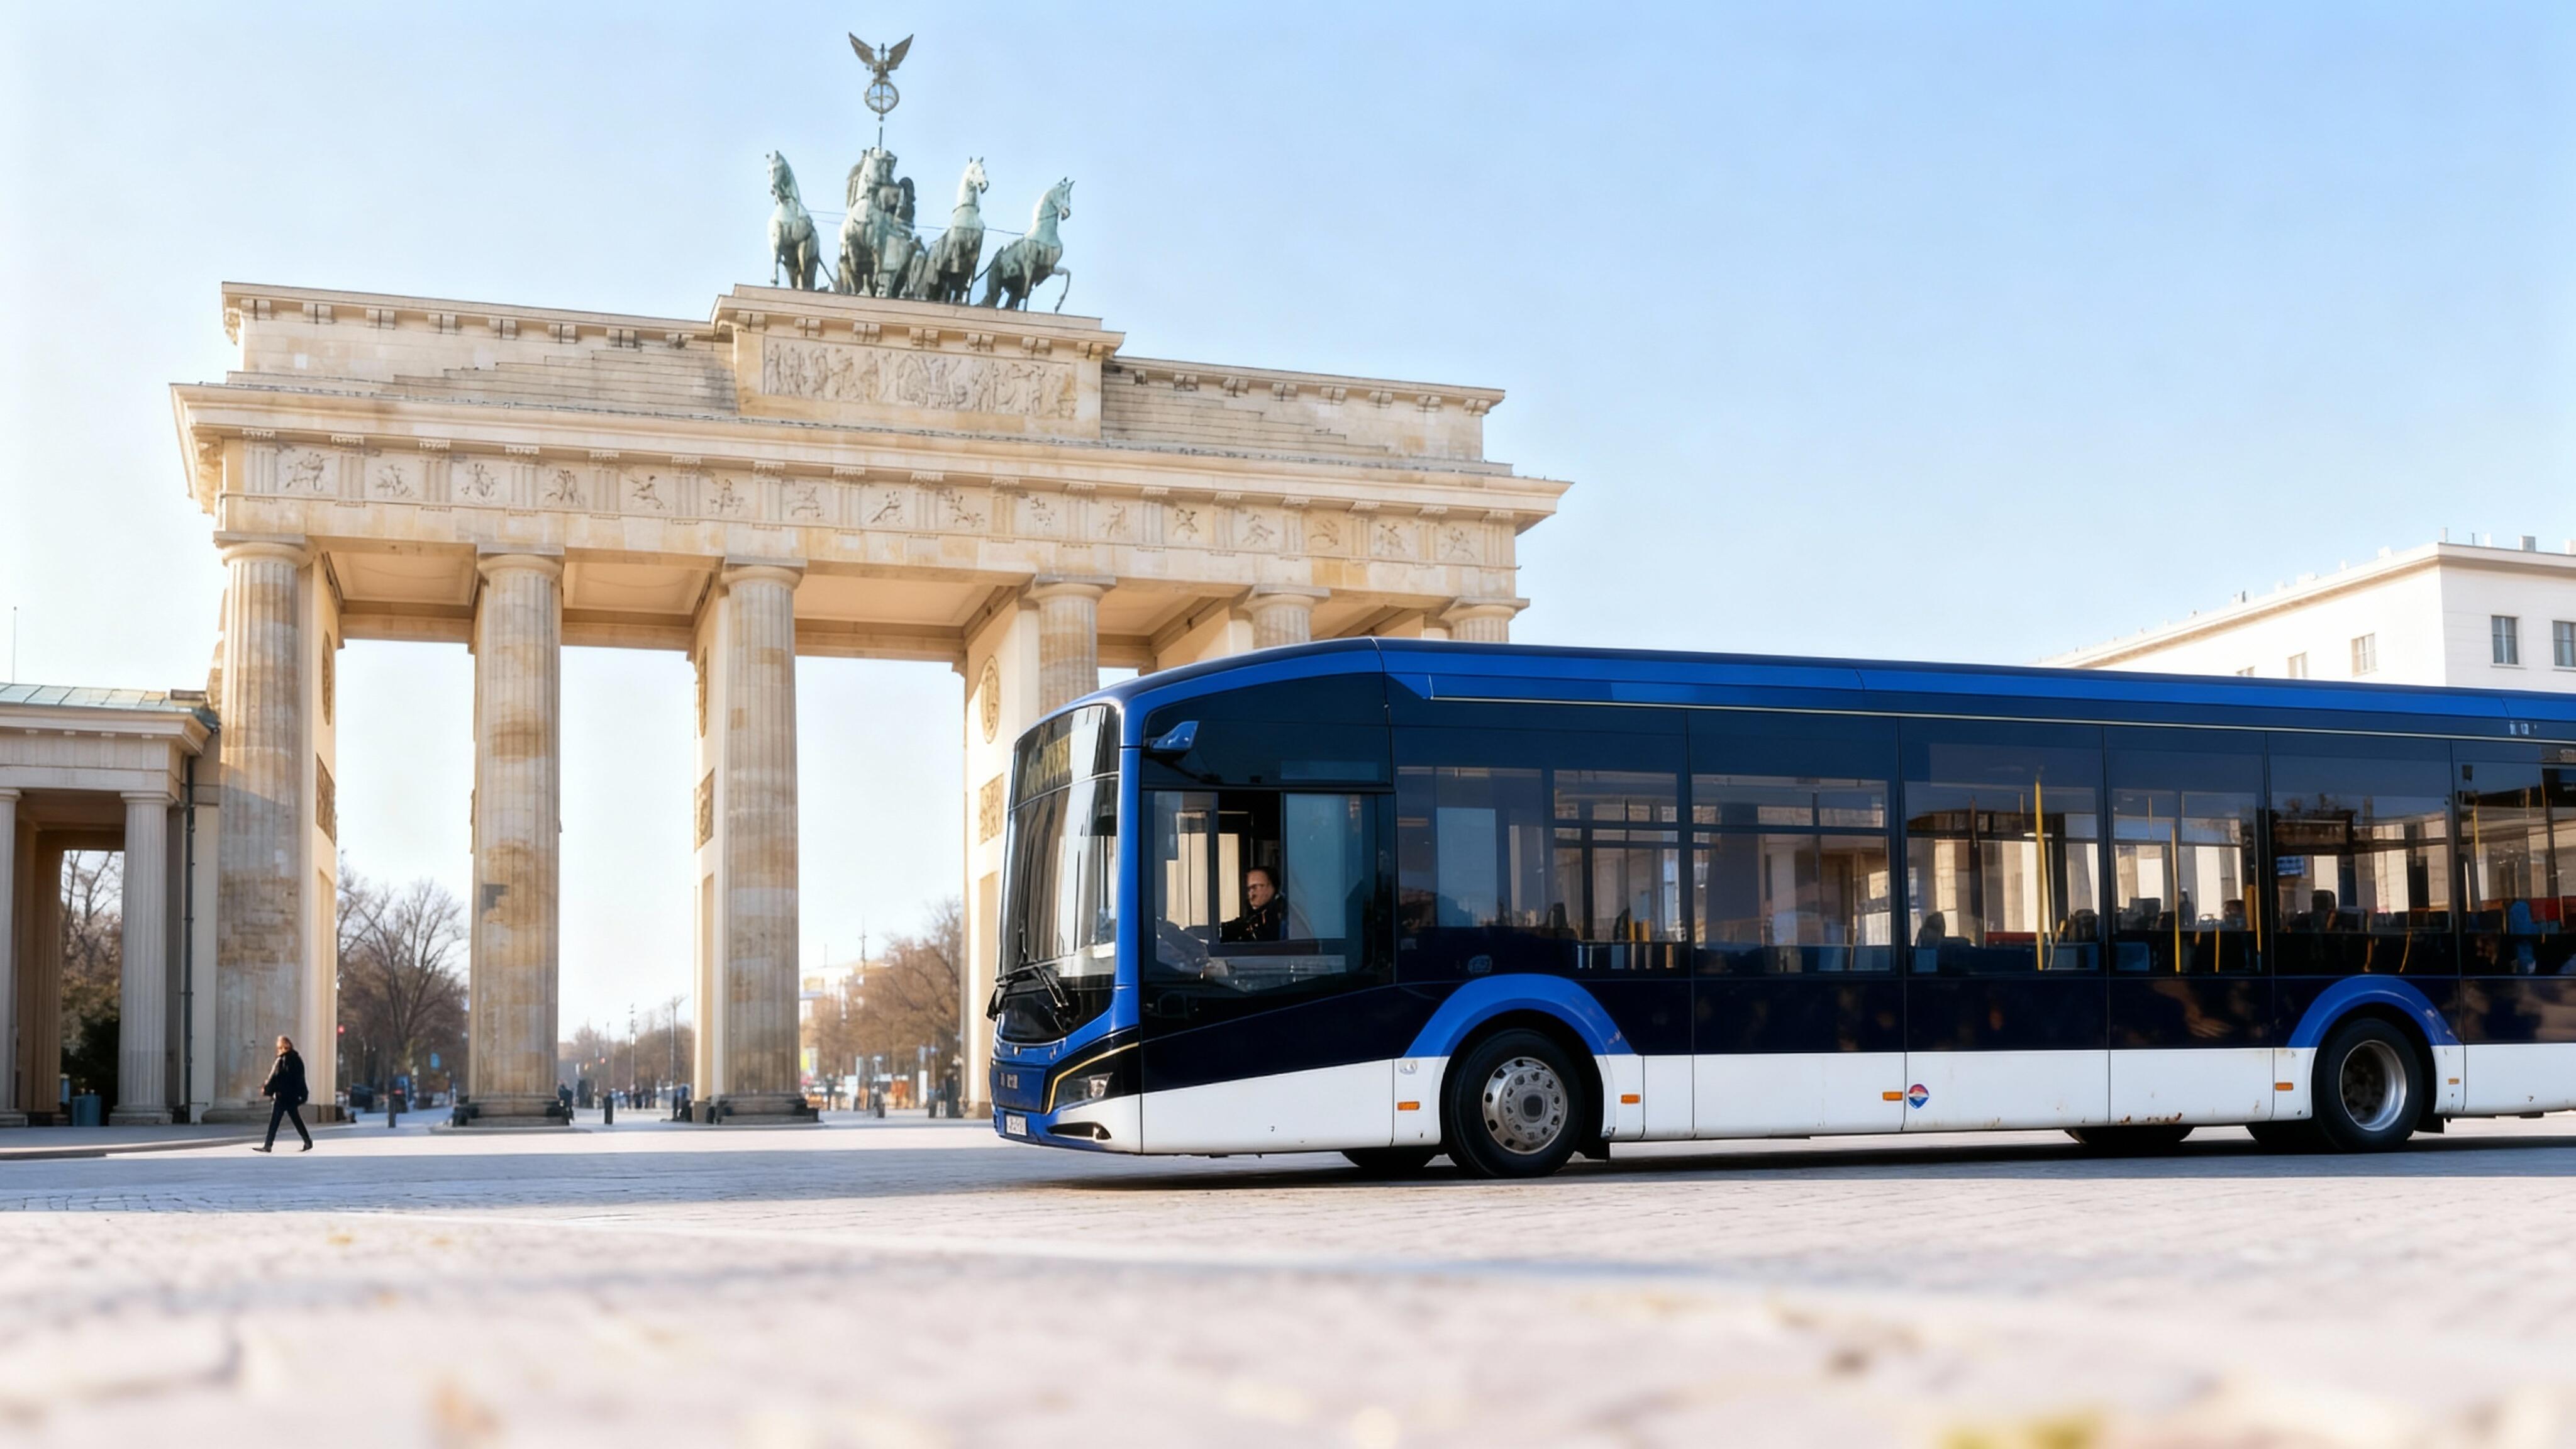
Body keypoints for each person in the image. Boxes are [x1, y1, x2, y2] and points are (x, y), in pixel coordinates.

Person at [253, 1035, 311, 1153]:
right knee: (296, 1120)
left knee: (274, 1121)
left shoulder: (281, 1060)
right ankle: (307, 1141)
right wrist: (303, 1094)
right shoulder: (297, 1060)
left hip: (281, 1096)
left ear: (281, 1047)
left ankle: (268, 1145)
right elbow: (301, 1079)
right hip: (293, 1096)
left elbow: (274, 1077)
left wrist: (267, 1089)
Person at [1220, 866, 1289, 942]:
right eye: (1249, 889)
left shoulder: (1283, 920)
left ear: (1271, 888)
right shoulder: (1251, 919)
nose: (1251, 894)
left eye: (1255, 887)